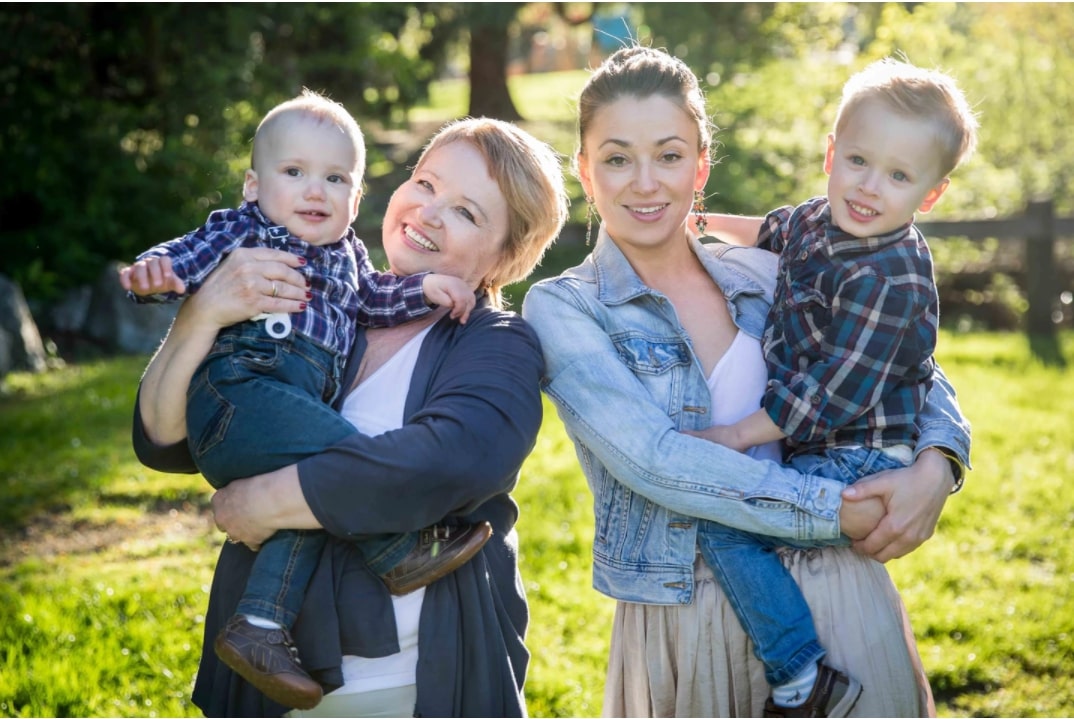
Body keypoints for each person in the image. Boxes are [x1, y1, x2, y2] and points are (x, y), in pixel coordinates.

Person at [522, 45, 971, 717]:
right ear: (585, 170)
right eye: (617, 158)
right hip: (687, 613)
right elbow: (656, 461)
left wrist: (939, 462)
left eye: (670, 155)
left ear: (700, 165)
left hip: (838, 598)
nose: (645, 182)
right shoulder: (565, 307)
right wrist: (828, 511)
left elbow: (903, 359)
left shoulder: (763, 271)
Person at [130, 116, 569, 717]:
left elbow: (445, 462)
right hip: (269, 691)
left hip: (410, 684)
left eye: (467, 212)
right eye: (426, 183)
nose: (429, 213)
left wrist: (263, 502)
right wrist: (203, 314)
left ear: (508, 254)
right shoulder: (330, 299)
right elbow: (166, 440)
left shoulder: (496, 342)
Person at [679, 57, 980, 716]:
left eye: (899, 176)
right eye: (859, 161)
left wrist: (736, 434)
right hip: (820, 445)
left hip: (857, 455)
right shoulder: (819, 221)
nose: (870, 187)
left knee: (724, 527)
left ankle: (800, 675)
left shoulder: (892, 276)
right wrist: (694, 225)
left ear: (930, 195)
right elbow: (770, 229)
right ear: (831, 153)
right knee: (731, 521)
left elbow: (829, 394)